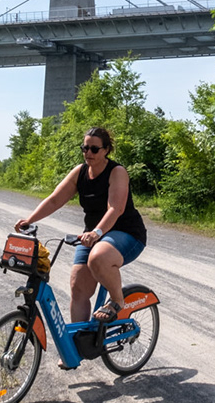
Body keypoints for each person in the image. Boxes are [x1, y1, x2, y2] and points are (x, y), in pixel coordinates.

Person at [13, 126, 147, 323]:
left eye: (94, 149)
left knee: (98, 257)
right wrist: (29, 220)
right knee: (78, 288)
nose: (88, 153)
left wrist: (97, 232)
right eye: (84, 148)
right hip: (93, 235)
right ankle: (76, 350)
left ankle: (118, 300)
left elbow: (115, 209)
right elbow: (54, 200)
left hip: (126, 233)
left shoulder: (116, 172)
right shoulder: (80, 172)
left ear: (106, 150)